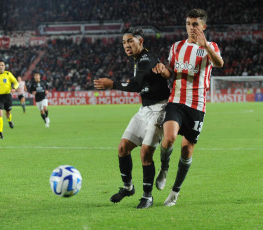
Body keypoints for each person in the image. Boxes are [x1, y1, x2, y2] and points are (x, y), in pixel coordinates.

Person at [152, 9, 224, 206]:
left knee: (186, 150)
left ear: (203, 27)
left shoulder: (211, 46)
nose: (191, 28)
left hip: (197, 105)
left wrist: (206, 46)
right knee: (169, 138)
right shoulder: (176, 47)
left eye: (195, 24)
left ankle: (174, 193)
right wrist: (162, 70)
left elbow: (219, 63)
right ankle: (164, 168)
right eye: (188, 24)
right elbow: (170, 71)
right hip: (176, 100)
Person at [94, 27, 170, 209]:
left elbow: (136, 85)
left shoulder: (146, 59)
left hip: (160, 109)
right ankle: (128, 188)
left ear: (140, 41)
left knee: (145, 152)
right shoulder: (138, 60)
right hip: (144, 109)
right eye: (124, 42)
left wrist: (112, 84)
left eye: (130, 41)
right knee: (123, 148)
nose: (126, 45)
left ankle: (147, 197)